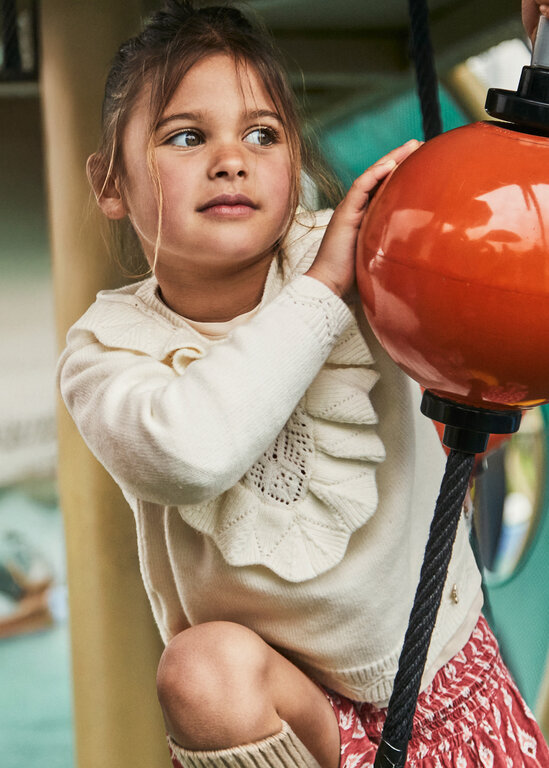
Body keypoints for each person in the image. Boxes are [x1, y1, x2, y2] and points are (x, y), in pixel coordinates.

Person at [58, 1, 549, 766]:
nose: (232, 158)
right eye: (187, 136)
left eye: (262, 134)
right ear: (109, 182)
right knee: (199, 671)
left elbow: (507, 242)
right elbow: (188, 452)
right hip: (294, 719)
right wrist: (318, 296)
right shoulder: (109, 350)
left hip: (445, 685)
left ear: (294, 161)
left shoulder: (363, 249)